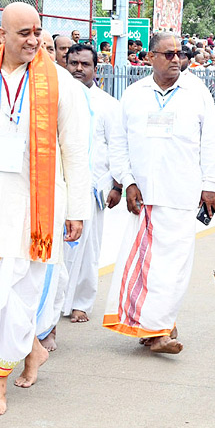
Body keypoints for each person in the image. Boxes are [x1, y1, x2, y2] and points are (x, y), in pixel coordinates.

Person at [0, 2, 88, 418]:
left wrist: (77, 209)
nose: (33, 40)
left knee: (18, 294)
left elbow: (76, 150)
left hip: (38, 205)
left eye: (37, 32)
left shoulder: (61, 82)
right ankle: (30, 349)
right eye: (24, 33)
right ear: (2, 35)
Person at [104, 31, 215, 353]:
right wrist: (127, 182)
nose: (175, 59)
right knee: (145, 267)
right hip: (144, 196)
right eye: (167, 54)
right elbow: (118, 143)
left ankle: (160, 327)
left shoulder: (197, 93)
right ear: (150, 57)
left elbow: (210, 143)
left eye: (179, 54)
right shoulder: (133, 94)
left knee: (174, 267)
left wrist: (210, 187)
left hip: (182, 195)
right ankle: (157, 330)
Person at [60, 42, 121, 322]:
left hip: (94, 187)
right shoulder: (57, 98)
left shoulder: (108, 105)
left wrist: (116, 185)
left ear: (96, 69)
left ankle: (81, 303)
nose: (78, 69)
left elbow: (117, 147)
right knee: (60, 247)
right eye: (74, 63)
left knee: (89, 248)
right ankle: (57, 302)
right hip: (61, 185)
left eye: (85, 64)